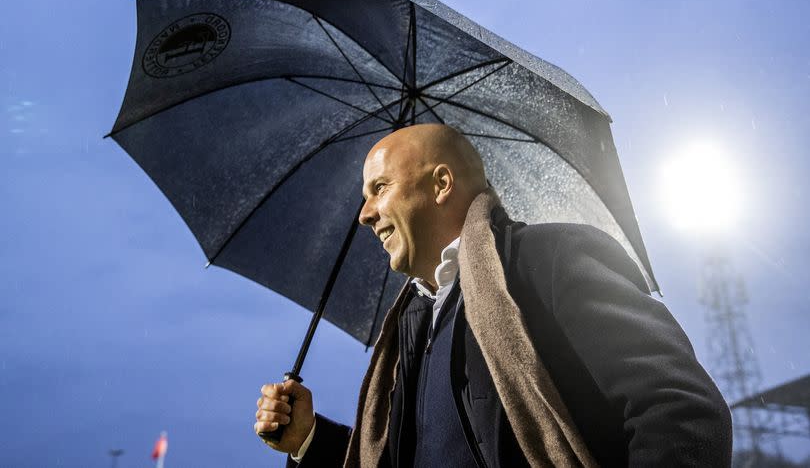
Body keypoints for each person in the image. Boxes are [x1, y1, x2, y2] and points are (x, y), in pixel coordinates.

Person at [254, 124, 732, 467]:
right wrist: (308, 439)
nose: (364, 214)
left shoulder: (549, 260)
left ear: (441, 184)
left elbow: (680, 411)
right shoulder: (411, 323)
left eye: (379, 188)